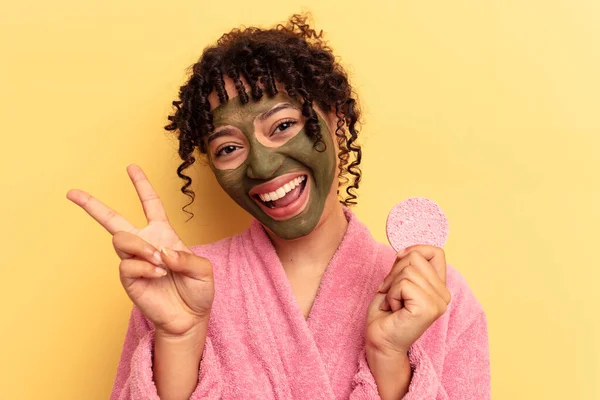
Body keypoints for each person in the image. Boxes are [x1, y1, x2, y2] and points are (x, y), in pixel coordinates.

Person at [67, 14, 490, 400]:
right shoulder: (174, 288)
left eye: (283, 125)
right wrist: (179, 338)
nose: (262, 165)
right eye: (229, 147)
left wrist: (389, 357)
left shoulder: (439, 297)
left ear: (335, 117)